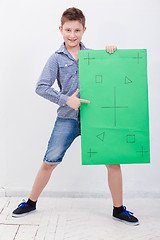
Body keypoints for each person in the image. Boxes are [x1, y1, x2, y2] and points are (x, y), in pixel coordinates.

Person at [12, 7, 139, 226]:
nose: (72, 35)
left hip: (95, 118)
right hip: (67, 118)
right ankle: (31, 202)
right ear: (61, 30)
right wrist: (65, 99)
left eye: (77, 30)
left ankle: (118, 209)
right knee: (49, 162)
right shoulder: (55, 59)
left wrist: (112, 53)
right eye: (68, 30)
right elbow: (41, 87)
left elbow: (113, 75)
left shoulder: (94, 56)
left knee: (113, 162)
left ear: (84, 30)